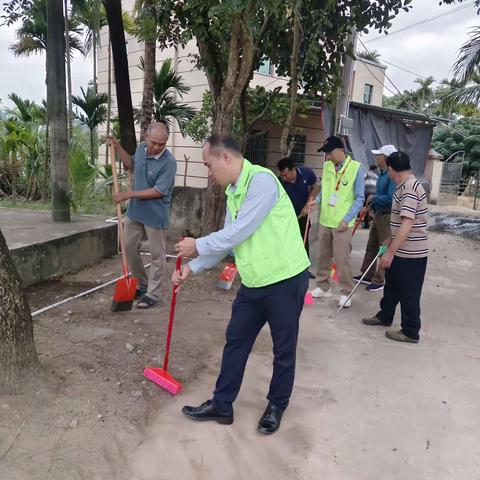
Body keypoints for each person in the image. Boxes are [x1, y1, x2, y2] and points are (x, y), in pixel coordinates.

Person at [173, 134, 310, 435]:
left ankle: (277, 405)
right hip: (254, 283)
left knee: (283, 349)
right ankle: (222, 404)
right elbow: (229, 242)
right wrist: (192, 268)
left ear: (225, 158)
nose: (209, 173)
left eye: (209, 165)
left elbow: (239, 232)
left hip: (285, 279)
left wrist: (197, 244)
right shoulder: (235, 191)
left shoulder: (261, 181)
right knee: (236, 341)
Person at [107, 122, 177, 309]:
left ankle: (152, 293)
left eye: (161, 144)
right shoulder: (141, 149)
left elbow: (158, 191)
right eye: (154, 142)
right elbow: (131, 164)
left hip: (155, 214)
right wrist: (118, 147)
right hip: (135, 211)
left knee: (157, 255)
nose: (157, 147)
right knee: (128, 248)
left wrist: (128, 194)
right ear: (146, 137)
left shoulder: (169, 162)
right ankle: (142, 283)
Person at [362, 151, 428, 344]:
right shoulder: (403, 186)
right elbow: (401, 222)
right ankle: (385, 315)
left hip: (412, 254)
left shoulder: (409, 188)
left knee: (409, 292)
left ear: (391, 169)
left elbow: (408, 224)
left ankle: (410, 331)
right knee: (392, 286)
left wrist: (390, 253)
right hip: (401, 249)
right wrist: (390, 240)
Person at [309, 136, 365, 308]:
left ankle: (346, 292)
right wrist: (316, 200)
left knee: (342, 259)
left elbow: (359, 198)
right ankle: (323, 287)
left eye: (330, 153)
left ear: (341, 150)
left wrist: (347, 218)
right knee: (322, 256)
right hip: (326, 220)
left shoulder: (356, 168)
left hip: (342, 223)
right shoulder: (327, 166)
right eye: (326, 154)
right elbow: (325, 191)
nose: (328, 157)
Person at [353, 145, 397, 292]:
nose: (377, 158)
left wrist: (374, 197)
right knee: (371, 245)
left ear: (386, 158)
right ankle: (367, 273)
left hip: (386, 216)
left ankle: (379, 279)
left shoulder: (391, 175)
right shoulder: (382, 174)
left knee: (383, 248)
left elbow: (392, 198)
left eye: (379, 155)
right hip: (378, 214)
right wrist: (371, 206)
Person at [277, 156, 320, 278]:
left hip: (303, 214)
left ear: (292, 169)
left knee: (303, 241)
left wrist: (308, 204)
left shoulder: (306, 173)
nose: (284, 178)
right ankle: (286, 269)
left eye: (286, 175)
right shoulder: (279, 181)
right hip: (286, 216)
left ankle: (304, 270)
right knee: (286, 241)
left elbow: (315, 187)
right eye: (282, 176)